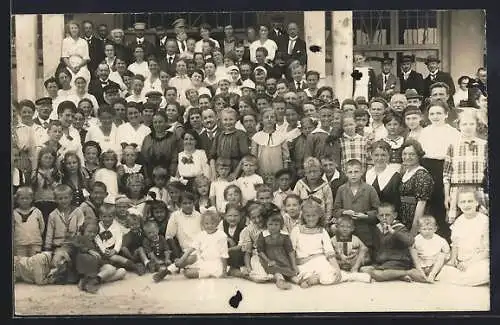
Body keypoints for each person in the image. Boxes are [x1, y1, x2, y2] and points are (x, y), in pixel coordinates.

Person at [419, 99, 460, 241]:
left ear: (446, 114)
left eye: (438, 113)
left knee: (444, 202)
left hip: (445, 167)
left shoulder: (453, 132)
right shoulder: (424, 132)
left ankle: (445, 238)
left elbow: (455, 155)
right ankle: (428, 239)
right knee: (427, 203)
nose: (435, 116)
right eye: (432, 113)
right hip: (427, 167)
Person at [443, 109, 488, 225]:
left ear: (477, 125)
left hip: (479, 191)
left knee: (481, 225)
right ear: (459, 126)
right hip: (457, 192)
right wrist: (447, 196)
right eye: (464, 124)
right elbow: (447, 174)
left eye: (471, 124)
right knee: (458, 225)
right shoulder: (452, 145)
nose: (468, 127)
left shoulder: (485, 145)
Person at [436, 189, 489, 286]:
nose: (466, 205)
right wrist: (453, 260)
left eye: (470, 201)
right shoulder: (458, 222)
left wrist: (468, 264)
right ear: (458, 205)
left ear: (477, 202)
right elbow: (455, 244)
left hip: (478, 260)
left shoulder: (484, 221)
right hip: (461, 261)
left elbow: (487, 250)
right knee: (445, 270)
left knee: (486, 269)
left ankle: (466, 278)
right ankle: (463, 277)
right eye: (463, 202)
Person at [360, 202, 421, 282]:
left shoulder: (399, 227)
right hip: (383, 262)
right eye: (381, 215)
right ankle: (399, 276)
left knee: (379, 276)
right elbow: (375, 247)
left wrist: (393, 232)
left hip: (398, 262)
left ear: (394, 215)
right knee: (363, 269)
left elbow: (410, 241)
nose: (384, 218)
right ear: (378, 216)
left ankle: (408, 272)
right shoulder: (377, 228)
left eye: (388, 215)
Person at [333, 159, 380, 259]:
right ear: (346, 173)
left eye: (356, 172)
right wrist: (344, 212)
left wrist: (366, 215)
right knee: (347, 257)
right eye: (350, 172)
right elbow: (335, 210)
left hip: (365, 231)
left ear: (362, 172)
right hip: (346, 232)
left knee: (365, 259)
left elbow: (378, 211)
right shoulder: (342, 189)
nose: (353, 175)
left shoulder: (369, 189)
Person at [290, 199, 342, 288]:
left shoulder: (322, 231)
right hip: (303, 263)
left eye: (314, 215)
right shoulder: (296, 230)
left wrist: (337, 269)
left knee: (332, 276)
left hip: (320, 260)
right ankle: (313, 278)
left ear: (319, 216)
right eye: (308, 216)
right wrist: (294, 266)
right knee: (301, 274)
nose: (311, 218)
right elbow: (291, 251)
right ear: (303, 216)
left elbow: (329, 252)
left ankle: (356, 276)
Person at [69, 221, 127, 293]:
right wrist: (88, 250)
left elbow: (101, 256)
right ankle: (93, 280)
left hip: (98, 267)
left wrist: (107, 259)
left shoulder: (96, 241)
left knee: (122, 271)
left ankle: (92, 281)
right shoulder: (79, 238)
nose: (92, 234)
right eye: (89, 232)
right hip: (86, 269)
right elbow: (73, 245)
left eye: (94, 232)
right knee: (111, 270)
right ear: (83, 230)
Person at [173, 210, 229, 279]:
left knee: (188, 273)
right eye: (207, 223)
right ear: (202, 224)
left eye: (212, 223)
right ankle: (168, 270)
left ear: (217, 223)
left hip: (216, 263)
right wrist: (181, 259)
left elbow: (224, 255)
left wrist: (224, 271)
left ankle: (211, 273)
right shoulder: (201, 234)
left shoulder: (221, 235)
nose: (209, 226)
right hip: (203, 261)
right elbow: (191, 248)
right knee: (185, 264)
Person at [257, 208, 300, 290]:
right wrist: (268, 261)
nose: (273, 227)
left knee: (290, 272)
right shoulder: (263, 235)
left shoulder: (285, 235)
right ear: (266, 224)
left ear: (281, 225)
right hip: (269, 259)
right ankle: (280, 281)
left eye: (276, 225)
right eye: (270, 224)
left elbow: (290, 251)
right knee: (277, 271)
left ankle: (298, 281)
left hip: (282, 259)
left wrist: (294, 265)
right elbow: (260, 251)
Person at [398, 139, 434, 235]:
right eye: (404, 154)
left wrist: (414, 230)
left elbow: (421, 204)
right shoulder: (405, 172)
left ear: (418, 155)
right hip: (403, 218)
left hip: (414, 218)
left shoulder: (422, 175)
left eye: (412, 154)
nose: (407, 157)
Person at [239, 201, 273, 282]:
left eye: (260, 216)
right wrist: (249, 268)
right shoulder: (248, 230)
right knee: (261, 277)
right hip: (258, 256)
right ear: (249, 218)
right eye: (253, 218)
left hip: (273, 254)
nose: (257, 220)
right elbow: (247, 252)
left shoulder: (271, 225)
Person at [44, 184, 85, 251]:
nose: (63, 201)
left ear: (71, 197)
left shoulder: (78, 212)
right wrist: (47, 248)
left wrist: (77, 242)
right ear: (55, 199)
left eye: (66, 198)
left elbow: (80, 229)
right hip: (58, 246)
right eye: (60, 198)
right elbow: (49, 233)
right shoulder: (53, 215)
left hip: (74, 245)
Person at [409, 215, 450, 283]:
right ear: (419, 229)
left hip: (434, 265)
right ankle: (422, 275)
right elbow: (413, 254)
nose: (427, 231)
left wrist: (442, 260)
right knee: (412, 251)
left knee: (442, 256)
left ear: (435, 229)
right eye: (424, 229)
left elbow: (447, 252)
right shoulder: (417, 239)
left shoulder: (440, 240)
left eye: (430, 229)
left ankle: (432, 275)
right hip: (421, 264)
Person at [140, 111, 179, 180]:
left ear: (166, 122)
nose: (157, 124)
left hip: (168, 175)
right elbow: (144, 160)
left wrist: (171, 176)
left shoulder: (172, 138)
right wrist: (147, 177)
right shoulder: (147, 139)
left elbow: (174, 159)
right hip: (151, 176)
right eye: (155, 122)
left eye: (160, 122)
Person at [165, 191, 203, 261]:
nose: (188, 205)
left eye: (190, 203)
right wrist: (178, 254)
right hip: (186, 251)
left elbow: (204, 234)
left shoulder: (199, 215)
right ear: (180, 204)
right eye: (185, 203)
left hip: (201, 248)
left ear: (193, 203)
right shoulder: (175, 216)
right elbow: (169, 236)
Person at [365, 141, 402, 211]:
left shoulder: (395, 176)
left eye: (383, 155)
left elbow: (397, 204)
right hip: (369, 217)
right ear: (371, 155)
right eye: (376, 155)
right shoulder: (367, 174)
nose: (379, 158)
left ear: (388, 156)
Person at [13, 187, 45, 257]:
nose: (25, 201)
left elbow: (42, 227)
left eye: (27, 198)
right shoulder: (14, 213)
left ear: (31, 199)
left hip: (35, 243)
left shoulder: (37, 211)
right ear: (17, 200)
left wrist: (36, 235)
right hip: (20, 244)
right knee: (21, 263)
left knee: (35, 262)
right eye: (22, 198)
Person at [60, 21, 91, 88]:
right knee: (70, 82)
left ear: (79, 29)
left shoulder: (83, 41)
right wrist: (71, 68)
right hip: (70, 66)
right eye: (72, 28)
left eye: (76, 28)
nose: (74, 30)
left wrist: (79, 67)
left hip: (82, 66)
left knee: (82, 80)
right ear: (69, 30)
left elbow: (86, 58)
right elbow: (64, 57)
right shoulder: (66, 41)